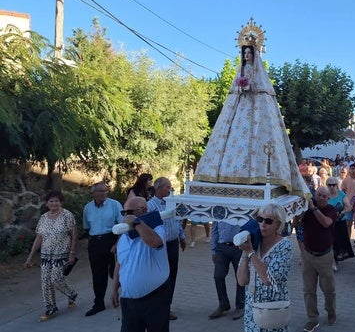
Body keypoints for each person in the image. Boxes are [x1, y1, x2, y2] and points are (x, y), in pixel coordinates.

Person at [193, 44, 308, 198]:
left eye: (249, 53)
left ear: (255, 55)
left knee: (256, 138)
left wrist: (250, 87)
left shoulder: (259, 72)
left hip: (257, 108)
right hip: (239, 108)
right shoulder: (240, 70)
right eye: (245, 53)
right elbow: (235, 88)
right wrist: (241, 88)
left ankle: (259, 175)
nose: (246, 56)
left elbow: (261, 86)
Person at [111, 196, 170, 332]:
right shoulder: (124, 236)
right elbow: (120, 263)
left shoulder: (157, 228)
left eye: (129, 212)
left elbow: (155, 242)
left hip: (155, 297)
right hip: (129, 300)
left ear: (143, 210)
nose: (126, 216)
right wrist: (114, 289)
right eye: (123, 212)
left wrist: (137, 222)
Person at [237, 203, 293, 332]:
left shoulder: (285, 246)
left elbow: (268, 279)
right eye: (260, 219)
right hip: (252, 312)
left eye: (268, 221)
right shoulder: (254, 243)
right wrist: (246, 253)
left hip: (273, 309)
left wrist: (251, 252)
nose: (262, 224)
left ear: (278, 225)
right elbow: (241, 281)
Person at [24, 191, 78, 322]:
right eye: (51, 201)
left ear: (60, 202)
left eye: (57, 201)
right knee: (45, 280)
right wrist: (30, 257)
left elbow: (74, 234)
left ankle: (72, 293)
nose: (54, 203)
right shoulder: (43, 218)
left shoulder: (67, 215)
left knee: (56, 278)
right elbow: (39, 237)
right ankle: (50, 307)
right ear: (47, 203)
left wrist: (72, 253)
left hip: (61, 253)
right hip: (46, 254)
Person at [299, 186, 338, 331]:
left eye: (324, 196)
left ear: (328, 198)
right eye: (318, 195)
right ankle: (312, 318)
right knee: (308, 290)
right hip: (308, 255)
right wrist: (301, 212)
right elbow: (298, 224)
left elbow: (326, 222)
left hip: (325, 256)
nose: (320, 198)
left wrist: (314, 209)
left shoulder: (331, 210)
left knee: (328, 289)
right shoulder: (308, 210)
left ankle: (331, 312)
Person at [147, 177, 186, 320]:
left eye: (170, 187)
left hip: (173, 244)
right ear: (158, 189)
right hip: (159, 247)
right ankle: (158, 308)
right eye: (167, 187)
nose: (170, 190)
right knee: (161, 277)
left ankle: (167, 307)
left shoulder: (172, 202)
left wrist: (182, 236)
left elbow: (178, 219)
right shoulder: (150, 206)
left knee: (172, 276)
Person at [82, 182, 123, 317]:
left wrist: (117, 243)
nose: (104, 193)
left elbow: (123, 226)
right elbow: (87, 227)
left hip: (111, 239)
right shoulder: (88, 208)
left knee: (115, 273)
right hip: (95, 242)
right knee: (98, 275)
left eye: (106, 191)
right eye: (101, 191)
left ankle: (125, 297)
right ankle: (98, 303)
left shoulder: (115, 205)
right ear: (94, 193)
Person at [209, 222, 245, 320]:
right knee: (218, 276)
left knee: (240, 277)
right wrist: (213, 250)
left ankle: (240, 306)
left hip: (239, 247)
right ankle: (223, 304)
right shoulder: (220, 209)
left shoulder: (239, 208)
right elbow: (215, 230)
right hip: (221, 248)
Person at [326, 176, 354, 270]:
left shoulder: (341, 194)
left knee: (337, 242)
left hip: (339, 222)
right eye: (329, 185)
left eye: (334, 185)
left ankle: (335, 260)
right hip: (328, 223)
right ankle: (332, 261)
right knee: (329, 242)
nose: (332, 187)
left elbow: (348, 206)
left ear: (337, 185)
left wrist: (343, 212)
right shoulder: (324, 195)